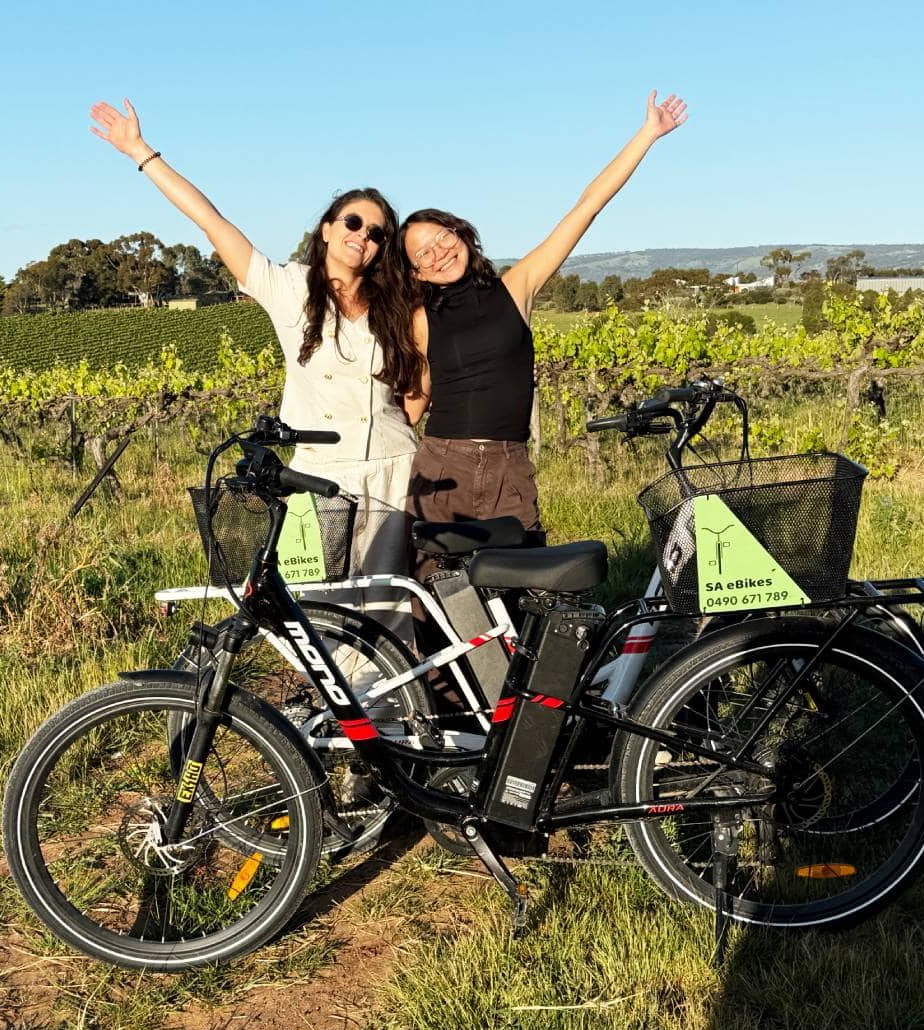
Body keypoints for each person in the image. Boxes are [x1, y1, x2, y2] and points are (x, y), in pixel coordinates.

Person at [90, 99, 425, 635]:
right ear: (326, 228)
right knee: (324, 606)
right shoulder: (287, 287)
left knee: (389, 603)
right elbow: (211, 221)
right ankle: (341, 693)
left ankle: (391, 693)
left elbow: (418, 380)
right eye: (353, 222)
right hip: (322, 471)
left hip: (394, 466)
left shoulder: (396, 305)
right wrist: (141, 153)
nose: (363, 236)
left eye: (377, 233)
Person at [400, 90, 689, 557]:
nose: (439, 253)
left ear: (461, 234)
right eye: (423, 253)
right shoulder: (420, 319)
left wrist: (647, 134)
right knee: (438, 587)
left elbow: (585, 207)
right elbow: (412, 406)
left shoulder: (517, 286)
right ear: (416, 272)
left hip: (508, 465)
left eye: (442, 237)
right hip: (441, 465)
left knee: (522, 585)